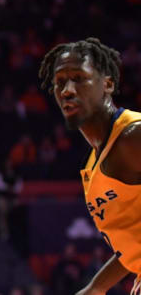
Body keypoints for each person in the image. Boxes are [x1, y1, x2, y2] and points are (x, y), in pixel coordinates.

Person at [38, 37, 141, 294]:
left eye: (78, 78)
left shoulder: (132, 137)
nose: (67, 90)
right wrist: (95, 288)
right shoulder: (96, 159)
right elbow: (133, 245)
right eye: (60, 82)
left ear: (107, 84)